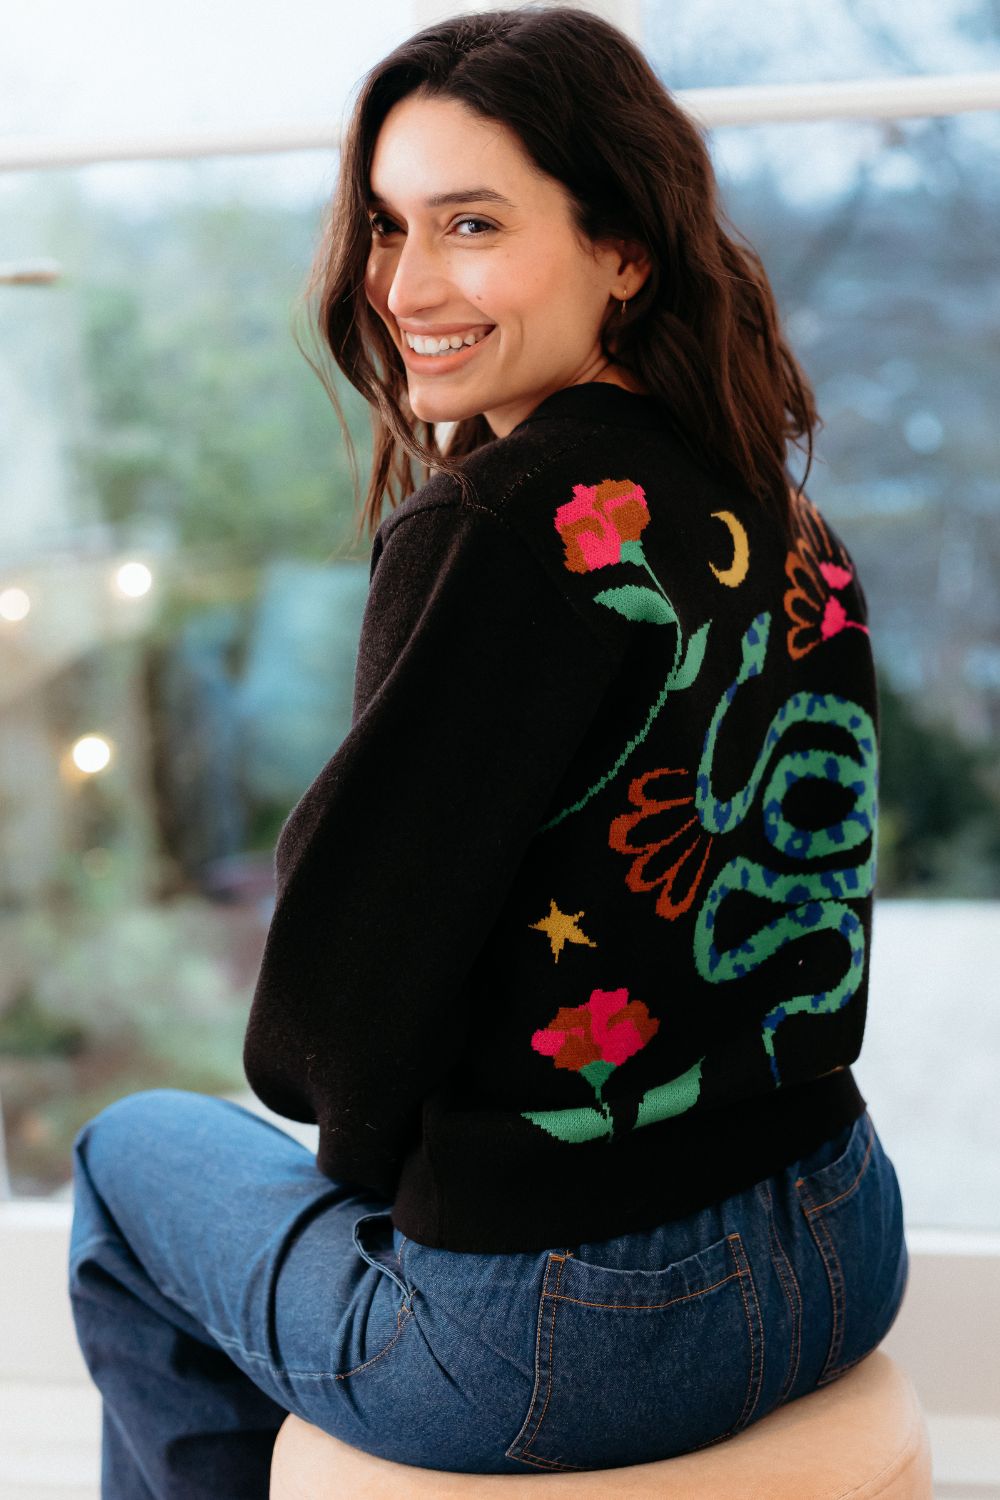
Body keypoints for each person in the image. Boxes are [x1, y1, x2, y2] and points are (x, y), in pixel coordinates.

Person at [68, 7, 909, 1493]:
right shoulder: (775, 500)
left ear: (623, 248)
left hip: (567, 1336)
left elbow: (322, 1034)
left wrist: (395, 1179)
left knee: (126, 1155)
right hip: (843, 1234)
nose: (404, 286)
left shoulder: (500, 525)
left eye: (471, 224)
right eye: (387, 226)